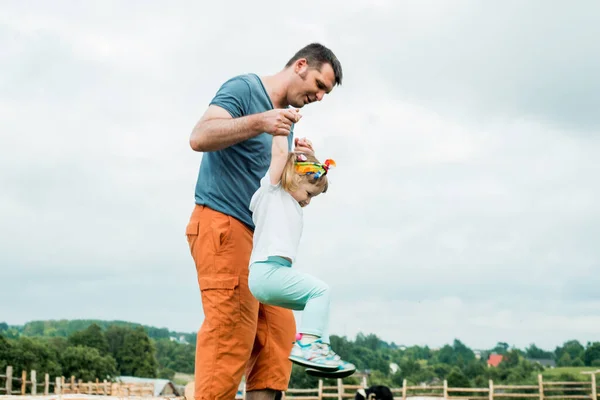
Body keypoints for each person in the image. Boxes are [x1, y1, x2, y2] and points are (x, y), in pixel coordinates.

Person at [186, 43, 343, 400]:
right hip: (223, 224)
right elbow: (200, 137)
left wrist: (308, 162)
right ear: (301, 65)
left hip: (262, 247)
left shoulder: (284, 125)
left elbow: (288, 189)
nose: (319, 97)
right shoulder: (245, 89)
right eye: (319, 85)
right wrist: (261, 120)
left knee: (277, 342)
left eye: (325, 94)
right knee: (230, 336)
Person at [247, 131, 356, 376]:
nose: (308, 201)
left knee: (318, 304)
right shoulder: (272, 191)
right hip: (266, 271)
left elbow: (311, 172)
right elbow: (280, 156)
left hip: (271, 275)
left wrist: (310, 155)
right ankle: (308, 347)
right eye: (308, 194)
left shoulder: (290, 202)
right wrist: (282, 128)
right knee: (320, 291)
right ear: (293, 178)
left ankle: (321, 353)